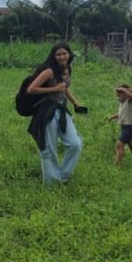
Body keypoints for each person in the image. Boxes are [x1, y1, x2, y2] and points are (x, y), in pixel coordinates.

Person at [26, 42, 85, 184]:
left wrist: (75, 102)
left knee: (75, 143)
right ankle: (51, 183)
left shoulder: (67, 69)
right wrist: (54, 89)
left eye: (64, 53)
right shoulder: (49, 71)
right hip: (47, 112)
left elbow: (64, 88)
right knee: (49, 148)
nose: (62, 56)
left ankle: (63, 175)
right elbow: (31, 89)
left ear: (69, 54)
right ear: (54, 56)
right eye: (58, 54)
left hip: (62, 110)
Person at [107, 83, 132, 166]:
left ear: (126, 95)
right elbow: (120, 114)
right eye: (117, 96)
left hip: (129, 127)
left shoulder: (128, 101)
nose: (118, 98)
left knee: (119, 144)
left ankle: (116, 165)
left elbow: (131, 95)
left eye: (120, 96)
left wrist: (123, 90)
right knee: (131, 145)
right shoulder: (121, 104)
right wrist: (112, 117)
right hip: (124, 127)